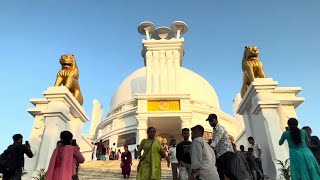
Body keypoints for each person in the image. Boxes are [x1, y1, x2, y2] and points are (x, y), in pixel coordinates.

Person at [206, 114, 235, 179]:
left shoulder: (219, 128)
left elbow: (215, 142)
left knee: (228, 173)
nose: (210, 123)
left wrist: (207, 150)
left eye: (211, 120)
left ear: (216, 120)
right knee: (221, 173)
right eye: (209, 121)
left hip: (226, 153)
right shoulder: (215, 130)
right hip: (221, 155)